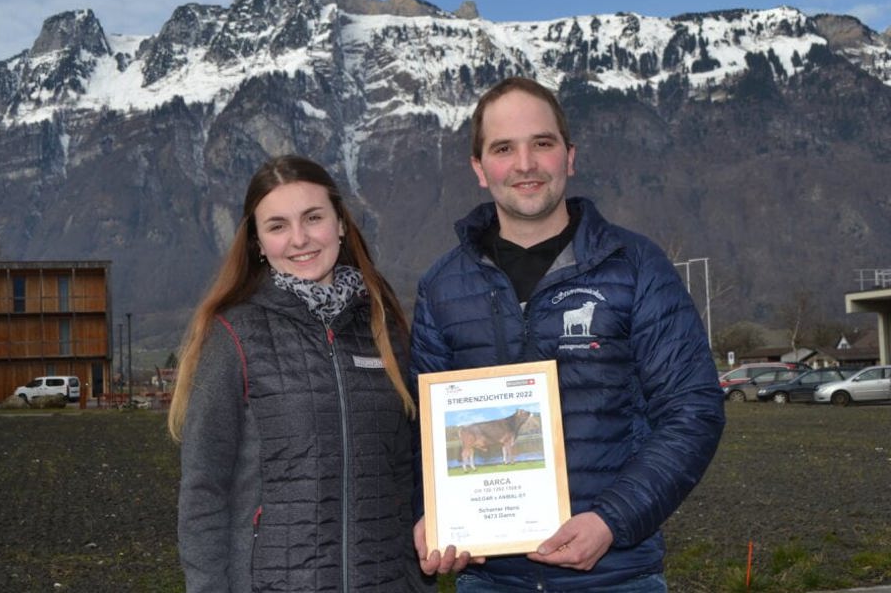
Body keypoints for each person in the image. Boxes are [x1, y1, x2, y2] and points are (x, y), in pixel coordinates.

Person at [410, 76, 726, 591]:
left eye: (542, 144)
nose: (526, 164)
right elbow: (420, 430)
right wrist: (434, 515)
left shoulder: (636, 266)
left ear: (570, 157)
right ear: (479, 169)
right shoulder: (442, 286)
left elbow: (693, 410)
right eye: (503, 148)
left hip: (617, 575)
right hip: (491, 580)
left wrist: (611, 520)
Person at [168, 155, 431, 592]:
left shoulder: (386, 330)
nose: (299, 239)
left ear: (341, 224)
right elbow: (203, 493)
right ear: (257, 241)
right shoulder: (234, 335)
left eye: (313, 218)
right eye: (277, 226)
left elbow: (408, 478)